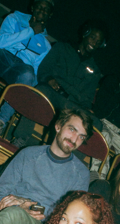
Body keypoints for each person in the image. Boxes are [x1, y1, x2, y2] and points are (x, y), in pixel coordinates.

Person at [11, 19, 108, 148]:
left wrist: (86, 107)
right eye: (93, 37)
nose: (94, 43)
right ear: (85, 34)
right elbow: (44, 70)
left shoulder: (95, 70)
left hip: (74, 105)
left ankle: (68, 157)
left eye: (98, 42)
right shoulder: (62, 48)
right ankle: (20, 139)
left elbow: (87, 99)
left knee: (96, 124)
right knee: (40, 91)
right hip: (54, 94)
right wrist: (49, 79)